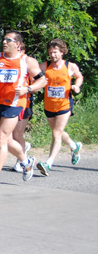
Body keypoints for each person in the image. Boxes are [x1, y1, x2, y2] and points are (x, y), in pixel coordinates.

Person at [0, 31, 46, 191]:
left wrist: (27, 89)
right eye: (3, 39)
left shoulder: (27, 61)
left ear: (17, 44)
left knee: (1, 139)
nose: (4, 42)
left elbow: (43, 80)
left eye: (8, 40)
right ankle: (26, 161)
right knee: (8, 141)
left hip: (16, 103)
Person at [36, 39, 84, 176]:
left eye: (55, 52)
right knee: (58, 132)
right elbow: (33, 75)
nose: (53, 55)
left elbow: (79, 76)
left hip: (64, 104)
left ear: (62, 52)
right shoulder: (45, 66)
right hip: (49, 105)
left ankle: (48, 163)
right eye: (50, 52)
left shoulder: (70, 66)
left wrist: (77, 86)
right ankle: (74, 146)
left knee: (56, 132)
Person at [12, 43, 33, 173]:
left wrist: (26, 89)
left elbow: (39, 83)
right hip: (10, 104)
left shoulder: (28, 64)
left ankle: (21, 161)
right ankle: (23, 150)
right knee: (10, 135)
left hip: (25, 104)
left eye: (19, 49)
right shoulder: (8, 62)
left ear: (23, 51)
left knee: (17, 134)